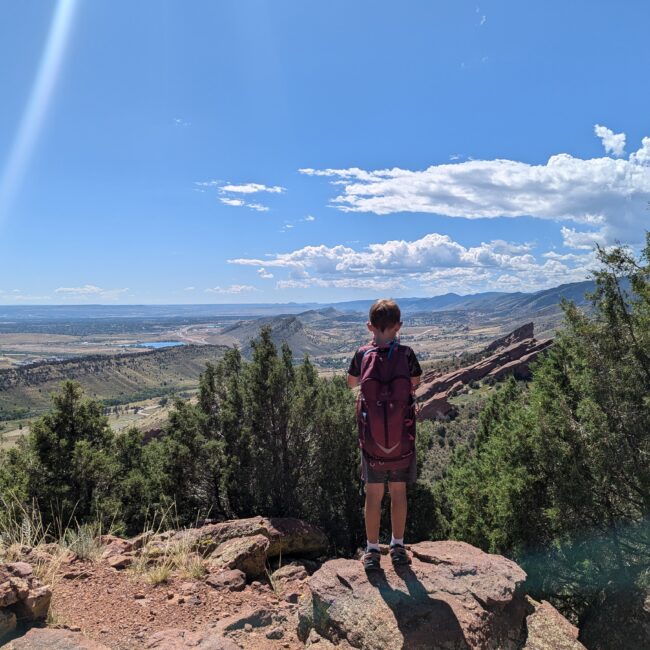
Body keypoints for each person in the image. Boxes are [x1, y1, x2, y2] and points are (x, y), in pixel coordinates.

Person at [347, 299, 422, 570]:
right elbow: (415, 382)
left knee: (373, 494)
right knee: (399, 492)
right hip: (402, 437)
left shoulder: (362, 354)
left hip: (372, 439)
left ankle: (371, 550)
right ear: (398, 326)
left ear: (369, 326)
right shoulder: (407, 353)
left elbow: (351, 383)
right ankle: (398, 546)